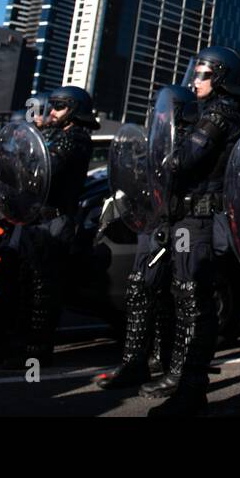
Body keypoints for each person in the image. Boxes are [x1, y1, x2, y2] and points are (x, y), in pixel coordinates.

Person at [147, 46, 240, 417]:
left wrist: (166, 154)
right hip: (188, 219)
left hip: (201, 221)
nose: (195, 80)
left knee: (195, 305)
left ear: (219, 78)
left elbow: (185, 158)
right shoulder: (207, 111)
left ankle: (191, 391)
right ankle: (184, 384)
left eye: (203, 74)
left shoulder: (221, 112)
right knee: (187, 302)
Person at [97, 84, 189, 391]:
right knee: (143, 289)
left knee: (174, 293)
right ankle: (140, 361)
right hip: (152, 223)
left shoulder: (188, 140)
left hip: (176, 225)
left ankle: (168, 366)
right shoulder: (156, 141)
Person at [5, 86, 97, 366]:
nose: (52, 112)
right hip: (38, 219)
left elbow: (43, 169)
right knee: (27, 284)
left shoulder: (76, 139)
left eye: (59, 107)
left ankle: (36, 351)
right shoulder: (58, 136)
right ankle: (21, 345)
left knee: (43, 289)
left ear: (74, 110)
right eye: (52, 106)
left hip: (55, 220)